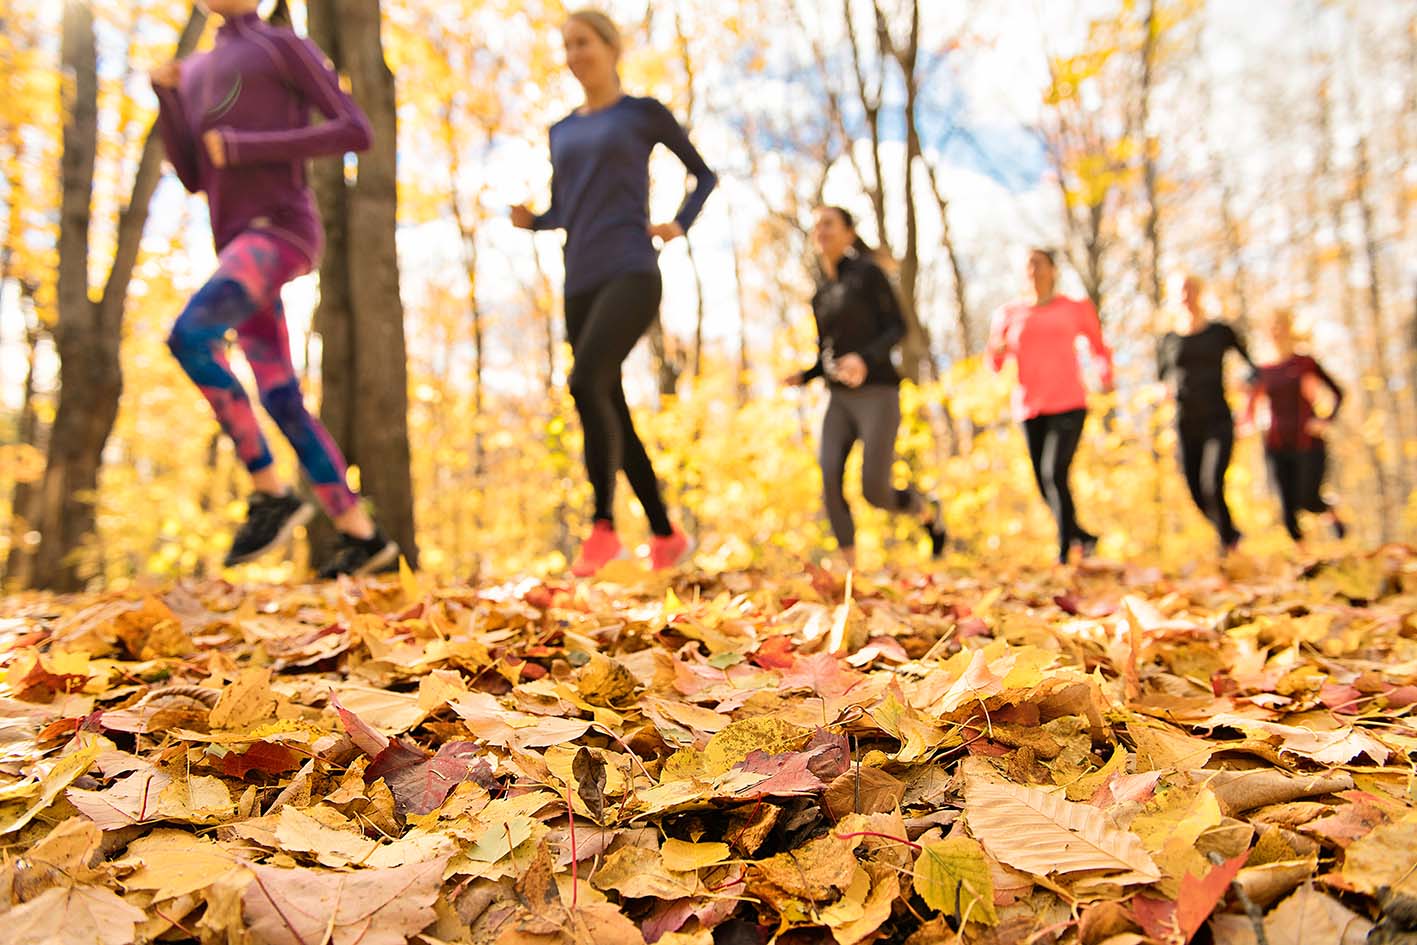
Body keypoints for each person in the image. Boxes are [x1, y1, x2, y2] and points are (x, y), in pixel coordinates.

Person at [151, 0, 398, 578]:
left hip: (281, 230)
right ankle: (364, 539)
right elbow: (192, 175)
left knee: (191, 336)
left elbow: (354, 129)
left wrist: (247, 147)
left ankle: (270, 490)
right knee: (281, 395)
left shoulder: (280, 45)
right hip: (236, 242)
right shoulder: (195, 70)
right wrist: (167, 98)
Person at [512, 9, 716, 578]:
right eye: (568, 46)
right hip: (578, 277)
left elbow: (704, 174)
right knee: (609, 405)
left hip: (631, 268)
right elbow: (565, 208)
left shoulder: (641, 114)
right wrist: (533, 221)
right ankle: (665, 534)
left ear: (611, 47)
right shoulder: (561, 129)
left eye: (584, 43)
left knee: (583, 381)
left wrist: (681, 222)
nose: (575, 54)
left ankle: (602, 528)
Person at [784, 207, 947, 568]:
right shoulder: (821, 292)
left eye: (829, 224)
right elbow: (826, 350)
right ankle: (850, 572)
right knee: (828, 478)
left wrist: (863, 358)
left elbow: (898, 328)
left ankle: (926, 509)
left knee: (874, 490)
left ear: (848, 232)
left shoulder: (868, 274)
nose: (821, 232)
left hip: (878, 393)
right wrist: (807, 375)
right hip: (838, 398)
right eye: (816, 227)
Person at [988, 249, 1114, 565]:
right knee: (1043, 483)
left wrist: (1106, 376)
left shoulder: (1074, 308)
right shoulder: (1008, 313)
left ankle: (1064, 553)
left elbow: (1099, 346)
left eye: (1039, 263)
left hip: (1069, 402)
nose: (1033, 270)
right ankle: (1083, 537)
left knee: (1055, 472)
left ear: (1053, 270)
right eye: (1028, 264)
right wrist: (997, 350)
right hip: (1030, 408)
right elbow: (994, 363)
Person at [1157, 275, 1255, 554]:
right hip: (1185, 422)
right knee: (1195, 492)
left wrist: (1246, 385)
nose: (1186, 295)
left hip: (1218, 419)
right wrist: (1163, 392)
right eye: (1180, 290)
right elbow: (1161, 378)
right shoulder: (1168, 340)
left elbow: (1252, 368)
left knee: (1212, 483)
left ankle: (1228, 547)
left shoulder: (1220, 332)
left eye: (1191, 289)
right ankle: (1232, 533)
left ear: (1200, 292)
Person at [1243, 309, 1348, 545]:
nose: (1276, 331)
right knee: (1286, 507)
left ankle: (1330, 512)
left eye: (1280, 325)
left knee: (1307, 499)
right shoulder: (1262, 370)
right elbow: (1249, 404)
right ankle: (1305, 564)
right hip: (1275, 443)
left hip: (1307, 441)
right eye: (1271, 326)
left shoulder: (1304, 363)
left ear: (1290, 328)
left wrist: (1325, 420)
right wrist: (1246, 424)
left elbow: (1339, 392)